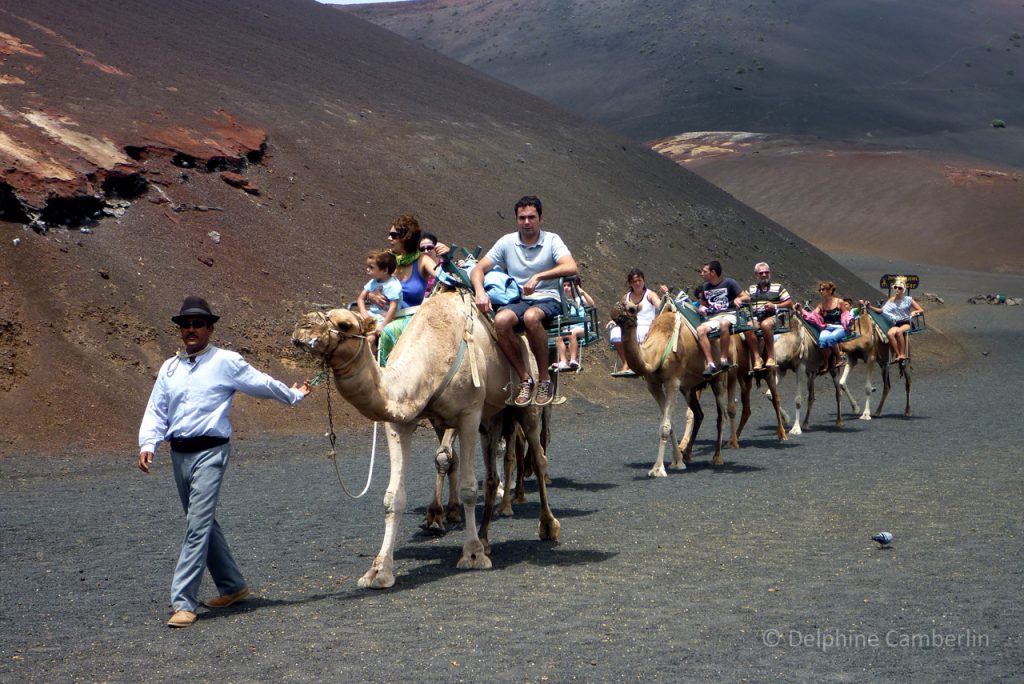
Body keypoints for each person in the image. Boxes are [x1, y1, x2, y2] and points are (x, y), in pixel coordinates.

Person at [137, 296, 311, 628]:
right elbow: (156, 409)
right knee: (200, 522)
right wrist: (148, 443)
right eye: (186, 325)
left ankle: (183, 601)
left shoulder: (225, 361)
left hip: (211, 453)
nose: (191, 329)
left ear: (210, 328)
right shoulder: (169, 368)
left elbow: (260, 384)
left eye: (198, 324)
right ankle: (233, 586)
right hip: (179, 454)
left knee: (196, 525)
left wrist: (293, 395)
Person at [472, 195, 577, 407]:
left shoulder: (552, 240)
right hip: (519, 299)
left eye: (531, 217)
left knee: (531, 317)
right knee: (500, 320)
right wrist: (480, 291)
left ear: (541, 218)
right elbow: (478, 268)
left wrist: (539, 276)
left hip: (549, 297)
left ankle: (545, 380)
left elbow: (570, 266)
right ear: (516, 219)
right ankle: (524, 378)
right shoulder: (507, 242)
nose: (527, 222)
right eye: (522, 218)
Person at [368, 214, 445, 365]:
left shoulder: (422, 261)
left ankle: (383, 376)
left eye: (394, 235)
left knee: (386, 332)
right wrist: (371, 296)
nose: (389, 238)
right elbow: (370, 286)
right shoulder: (388, 260)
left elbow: (442, 276)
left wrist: (446, 257)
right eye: (390, 234)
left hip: (407, 318)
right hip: (382, 314)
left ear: (407, 238)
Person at [695, 260, 748, 377]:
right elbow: (704, 304)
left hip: (730, 313)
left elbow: (746, 296)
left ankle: (723, 358)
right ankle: (710, 363)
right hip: (714, 316)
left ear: (713, 272)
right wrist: (702, 308)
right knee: (700, 330)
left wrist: (739, 299)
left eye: (704, 271)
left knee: (724, 324)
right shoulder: (705, 287)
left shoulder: (729, 283)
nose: (701, 274)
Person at [607, 268, 662, 376]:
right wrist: (614, 321)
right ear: (630, 283)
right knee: (615, 334)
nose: (637, 283)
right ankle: (626, 363)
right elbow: (620, 312)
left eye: (639, 280)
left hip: (646, 326)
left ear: (643, 280)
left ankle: (638, 364)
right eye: (634, 281)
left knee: (637, 335)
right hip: (629, 325)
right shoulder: (626, 297)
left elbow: (660, 307)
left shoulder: (650, 295)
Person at [742, 261, 793, 372]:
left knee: (766, 324)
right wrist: (738, 299)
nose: (764, 275)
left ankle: (771, 357)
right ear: (756, 275)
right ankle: (757, 358)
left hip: (775, 317)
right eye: (761, 273)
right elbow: (743, 298)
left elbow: (789, 303)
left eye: (766, 272)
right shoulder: (751, 289)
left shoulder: (778, 287)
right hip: (757, 318)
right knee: (747, 327)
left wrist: (774, 306)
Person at [860, 277, 923, 364]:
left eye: (900, 288)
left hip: (906, 322)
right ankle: (897, 355)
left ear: (903, 290)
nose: (897, 289)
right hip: (896, 323)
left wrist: (914, 312)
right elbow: (881, 310)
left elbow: (920, 309)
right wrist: (870, 306)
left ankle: (902, 354)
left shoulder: (908, 299)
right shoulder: (891, 300)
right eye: (895, 287)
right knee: (890, 333)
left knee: (899, 332)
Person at [356, 249, 402, 357]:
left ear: (385, 270)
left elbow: (393, 307)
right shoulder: (374, 281)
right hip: (371, 315)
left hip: (385, 317)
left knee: (369, 338)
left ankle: (372, 363)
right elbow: (360, 299)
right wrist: (365, 315)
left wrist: (383, 325)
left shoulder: (393, 286)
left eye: (371, 267)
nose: (367, 270)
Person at [805, 280, 851, 374]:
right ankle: (825, 364)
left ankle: (839, 358)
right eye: (820, 290)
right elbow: (812, 316)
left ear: (830, 290)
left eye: (824, 289)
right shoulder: (821, 305)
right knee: (821, 340)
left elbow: (846, 314)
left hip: (840, 327)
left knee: (831, 339)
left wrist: (849, 322)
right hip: (827, 327)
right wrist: (801, 310)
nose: (821, 291)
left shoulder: (839, 302)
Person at [551, 278, 596, 372]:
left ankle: (573, 360)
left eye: (569, 285)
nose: (567, 288)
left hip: (582, 327)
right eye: (564, 286)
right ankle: (563, 361)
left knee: (572, 333)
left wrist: (581, 291)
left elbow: (592, 304)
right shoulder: (563, 300)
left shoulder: (580, 298)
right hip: (569, 327)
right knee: (558, 337)